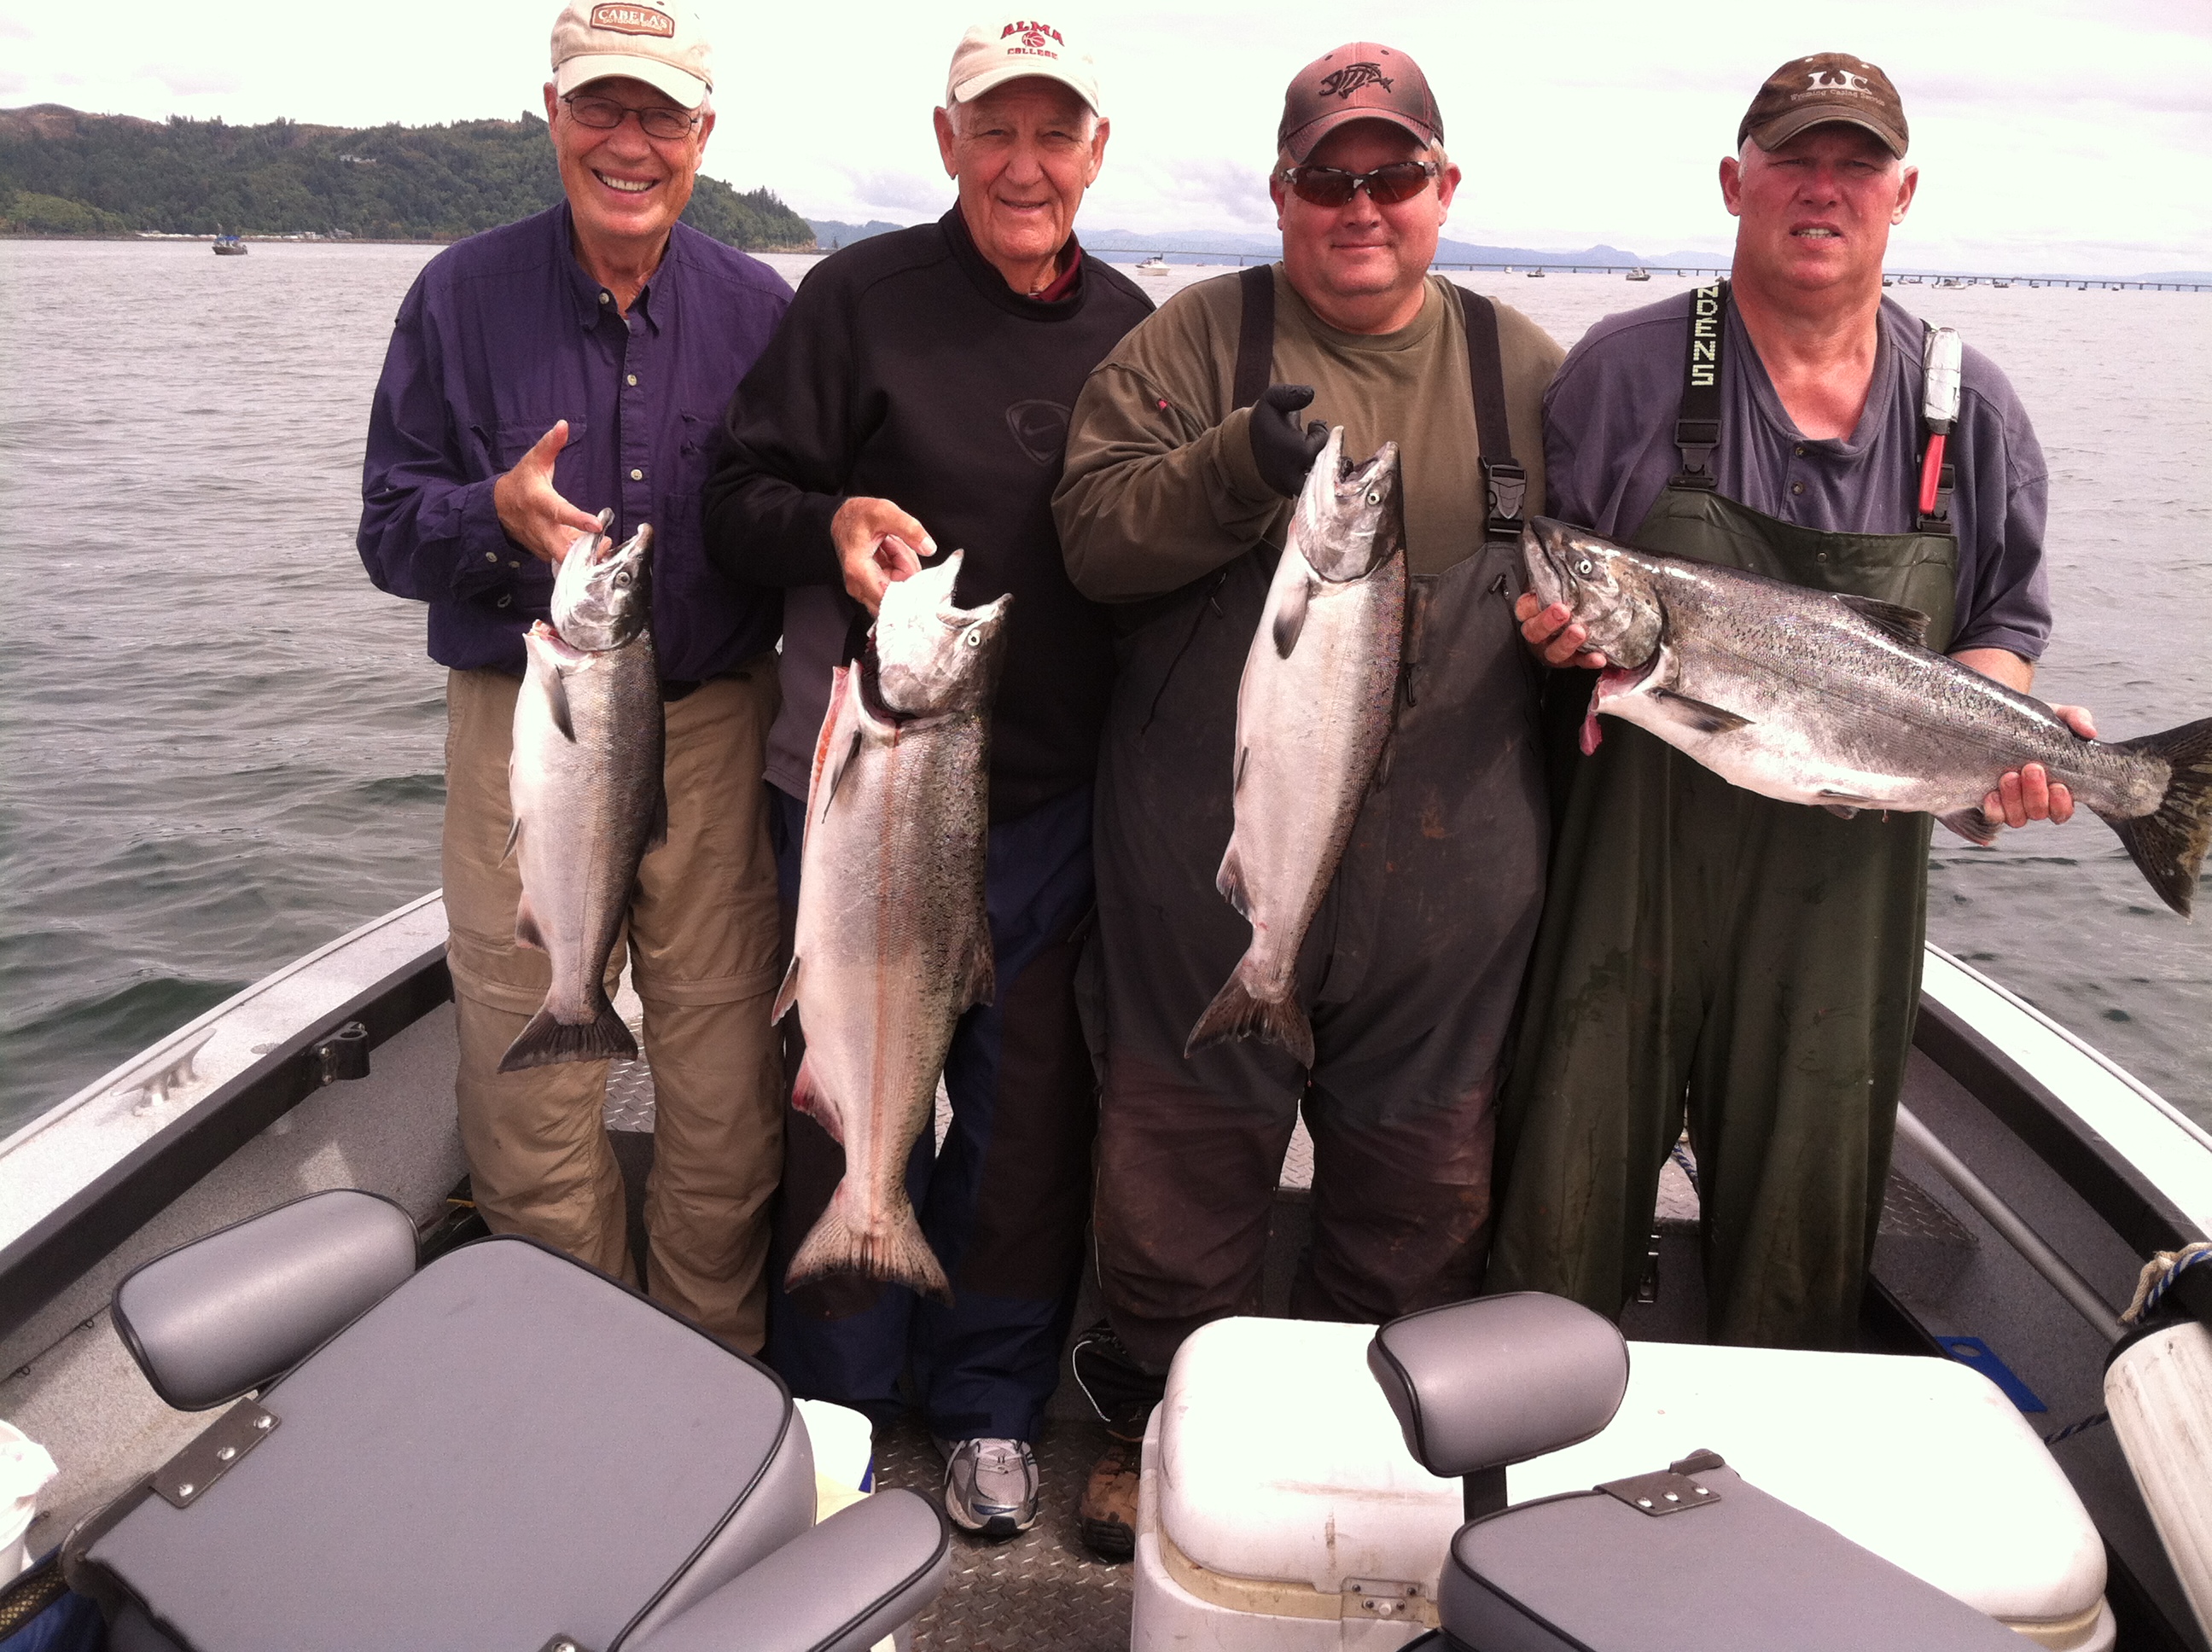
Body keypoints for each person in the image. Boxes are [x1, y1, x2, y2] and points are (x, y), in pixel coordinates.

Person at [1052, 44, 1565, 1560]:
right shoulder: (1194, 342)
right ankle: (1157, 1419)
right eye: (1328, 177)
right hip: (1209, 866)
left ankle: (1362, 1442)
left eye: (1392, 174)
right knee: (1176, 1155)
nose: (1362, 204)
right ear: (1280, 194)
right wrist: (1237, 462)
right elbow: (1093, 538)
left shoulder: (1525, 370)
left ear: (1443, 189)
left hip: (1451, 878)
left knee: (1421, 1175)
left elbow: (1606, 584)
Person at [1490, 53, 2087, 1350]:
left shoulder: (1971, 408)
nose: (1824, 188)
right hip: (1629, 862)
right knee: (1562, 1184)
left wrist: (2005, 757)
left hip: (1851, 876)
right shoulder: (1629, 370)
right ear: (1735, 182)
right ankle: (1531, 1476)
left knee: (1808, 1216)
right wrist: (1552, 636)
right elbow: (1550, 599)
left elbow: (2002, 633)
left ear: (1901, 192)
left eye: (1856, 163)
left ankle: (1773, 1489)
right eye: (1794, 158)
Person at [700, 18, 1150, 1539]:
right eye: (995, 132)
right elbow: (734, 497)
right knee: (842, 1089)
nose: (1025, 164)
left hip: (1046, 804)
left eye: (1056, 134)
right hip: (857, 793)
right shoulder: (856, 301)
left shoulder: (1137, 328)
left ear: (1097, 152)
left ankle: (988, 1407)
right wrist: (827, 526)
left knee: (1022, 1124)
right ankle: (834, 1400)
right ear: (948, 141)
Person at [358, 1, 791, 1352]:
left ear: (703, 138)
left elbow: (789, 516)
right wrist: (493, 512)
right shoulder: (457, 295)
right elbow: (384, 526)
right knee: (527, 1087)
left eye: (661, 115)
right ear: (551, 115)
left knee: (723, 1087)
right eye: (601, 107)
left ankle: (711, 1371)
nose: (630, 141)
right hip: (523, 726)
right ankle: (572, 1372)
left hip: (715, 726)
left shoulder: (762, 311)